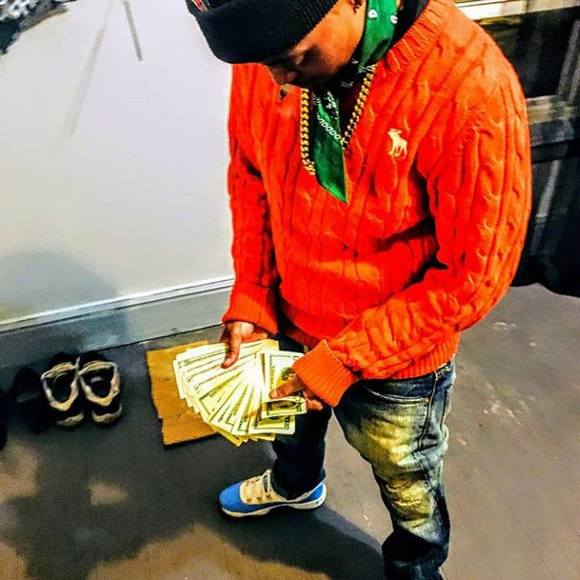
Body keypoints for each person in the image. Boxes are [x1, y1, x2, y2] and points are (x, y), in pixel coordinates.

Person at [186, 0, 531, 577]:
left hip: (397, 359)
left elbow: (473, 277)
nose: (276, 80)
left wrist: (345, 359)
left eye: (293, 58)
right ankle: (296, 485)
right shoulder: (269, 58)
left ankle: (415, 566)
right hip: (290, 316)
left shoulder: (471, 86)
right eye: (260, 63)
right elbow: (251, 174)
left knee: (406, 476)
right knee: (291, 431)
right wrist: (253, 293)